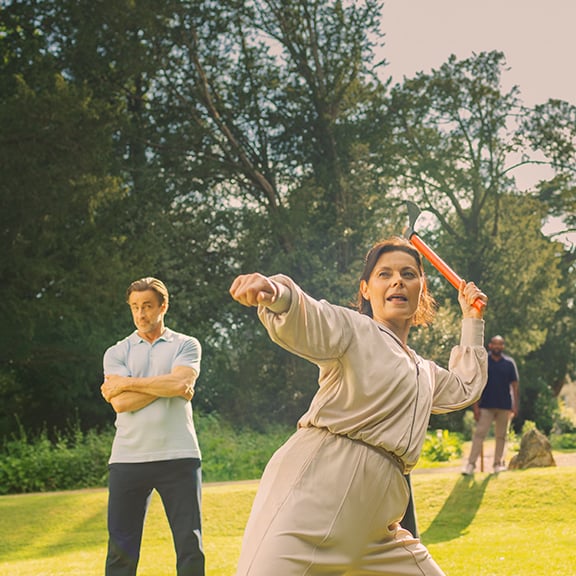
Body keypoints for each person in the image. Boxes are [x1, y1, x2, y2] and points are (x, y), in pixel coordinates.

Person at [229, 236, 488, 576]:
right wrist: (275, 292)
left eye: (409, 274)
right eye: (385, 274)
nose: (398, 280)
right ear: (365, 289)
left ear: (421, 290)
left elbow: (464, 387)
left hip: (378, 531)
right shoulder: (353, 331)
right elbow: (311, 316)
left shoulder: (422, 370)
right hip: (312, 501)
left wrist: (472, 319)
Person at [101, 277, 205, 576]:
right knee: (121, 549)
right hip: (127, 458)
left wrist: (127, 383)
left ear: (163, 306)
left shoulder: (186, 344)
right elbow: (120, 404)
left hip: (180, 455)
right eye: (135, 307)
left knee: (189, 544)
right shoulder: (116, 352)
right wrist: (168, 385)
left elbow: (181, 382)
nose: (141, 314)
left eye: (147, 306)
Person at [462, 335, 519, 475]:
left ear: (503, 347)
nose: (497, 346)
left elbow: (515, 386)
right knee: (479, 435)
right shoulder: (483, 361)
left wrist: (515, 406)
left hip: (504, 406)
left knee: (501, 436)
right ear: (490, 345)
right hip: (485, 406)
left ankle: (498, 464)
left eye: (500, 344)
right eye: (495, 344)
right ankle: (470, 465)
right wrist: (475, 407)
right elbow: (476, 384)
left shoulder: (509, 363)